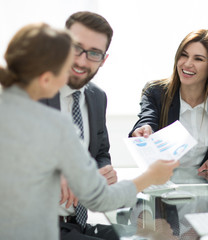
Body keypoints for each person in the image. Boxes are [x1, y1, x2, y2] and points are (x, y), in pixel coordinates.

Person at [0, 23, 179, 240]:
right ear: (47, 79)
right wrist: (151, 176)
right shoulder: (54, 125)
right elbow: (101, 200)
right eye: (66, 68)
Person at [39, 11, 118, 239]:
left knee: (148, 234)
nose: (82, 61)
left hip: (75, 224)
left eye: (94, 53)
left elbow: (101, 153)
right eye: (76, 47)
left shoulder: (97, 97)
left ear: (104, 59)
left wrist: (102, 172)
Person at [129, 29, 208, 176]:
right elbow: (147, 119)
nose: (187, 64)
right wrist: (144, 128)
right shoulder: (155, 92)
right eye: (184, 55)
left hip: (207, 193)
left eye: (198, 59)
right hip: (163, 192)